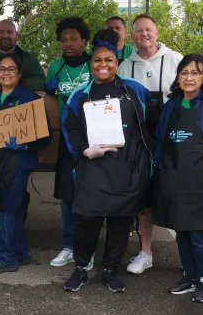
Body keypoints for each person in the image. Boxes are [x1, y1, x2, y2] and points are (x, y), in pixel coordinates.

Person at [61, 38, 154, 293]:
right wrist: (84, 150)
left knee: (120, 223)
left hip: (127, 168)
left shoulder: (135, 89)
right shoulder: (79, 95)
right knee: (86, 220)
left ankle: (111, 269)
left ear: (117, 63)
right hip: (92, 167)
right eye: (98, 60)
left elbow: (150, 122)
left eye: (109, 60)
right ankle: (81, 268)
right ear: (91, 63)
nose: (103, 65)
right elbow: (69, 127)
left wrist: (144, 159)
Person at [152, 54, 203, 303]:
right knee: (181, 231)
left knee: (197, 234)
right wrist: (159, 167)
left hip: (200, 180)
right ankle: (189, 275)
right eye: (184, 72)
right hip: (172, 177)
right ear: (178, 77)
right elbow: (160, 138)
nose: (189, 77)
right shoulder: (171, 103)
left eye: (196, 73)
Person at [116, 14, 182, 275]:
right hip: (137, 141)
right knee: (143, 196)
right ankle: (145, 252)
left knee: (173, 194)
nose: (144, 34)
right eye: (139, 31)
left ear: (157, 32)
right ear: (132, 37)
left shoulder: (175, 60)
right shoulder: (124, 67)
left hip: (170, 139)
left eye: (148, 30)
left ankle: (188, 255)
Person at [0, 53, 50, 273]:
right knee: (13, 209)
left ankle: (5, 258)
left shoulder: (30, 100)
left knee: (3, 209)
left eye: (11, 69)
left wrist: (25, 146)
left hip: (18, 162)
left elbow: (46, 139)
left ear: (19, 74)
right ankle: (20, 252)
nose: (6, 73)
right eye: (2, 69)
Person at [45, 17, 93, 269]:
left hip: (92, 136)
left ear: (84, 41)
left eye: (74, 39)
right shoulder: (55, 67)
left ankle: (87, 249)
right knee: (66, 196)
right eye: (64, 40)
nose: (68, 44)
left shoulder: (93, 63)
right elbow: (49, 95)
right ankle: (69, 246)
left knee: (89, 194)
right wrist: (48, 88)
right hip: (67, 138)